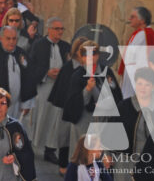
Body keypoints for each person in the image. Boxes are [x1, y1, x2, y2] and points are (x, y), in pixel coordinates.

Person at [104, 67, 154, 181]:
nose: (142, 88)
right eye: (140, 84)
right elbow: (108, 132)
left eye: (147, 84)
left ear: (153, 86)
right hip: (125, 161)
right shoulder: (123, 107)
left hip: (152, 161)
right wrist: (107, 155)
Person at [62, 41, 122, 163]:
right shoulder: (77, 75)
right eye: (86, 53)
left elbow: (116, 95)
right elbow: (73, 103)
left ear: (98, 55)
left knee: (102, 157)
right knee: (83, 157)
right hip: (84, 122)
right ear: (81, 56)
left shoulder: (106, 72)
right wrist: (87, 90)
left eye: (93, 53)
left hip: (104, 122)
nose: (90, 57)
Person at [28, 17, 71, 165]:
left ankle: (50, 149)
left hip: (60, 88)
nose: (60, 32)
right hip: (44, 86)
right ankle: (33, 144)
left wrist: (62, 73)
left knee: (56, 119)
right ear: (49, 29)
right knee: (41, 116)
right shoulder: (39, 45)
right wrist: (46, 73)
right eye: (57, 29)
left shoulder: (66, 46)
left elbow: (70, 65)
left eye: (62, 29)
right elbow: (31, 66)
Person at [46, 36, 88, 175]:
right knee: (64, 138)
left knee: (78, 140)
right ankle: (63, 166)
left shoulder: (87, 69)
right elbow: (62, 90)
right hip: (66, 110)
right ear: (76, 51)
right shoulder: (68, 67)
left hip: (81, 111)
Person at [118, 6, 154, 99]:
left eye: (133, 17)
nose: (129, 19)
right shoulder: (139, 33)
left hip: (138, 76)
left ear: (142, 20)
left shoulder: (144, 34)